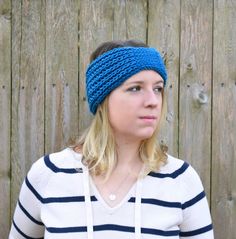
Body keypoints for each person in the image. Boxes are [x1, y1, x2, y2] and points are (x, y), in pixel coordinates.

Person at [9, 40, 214, 239]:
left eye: (158, 89)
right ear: (102, 98)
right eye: (135, 88)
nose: (153, 101)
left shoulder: (181, 179)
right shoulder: (48, 175)